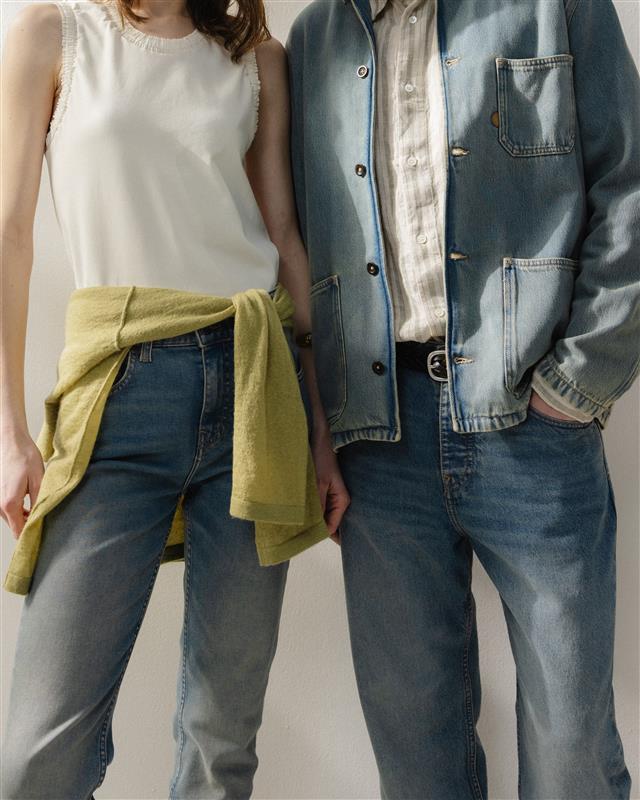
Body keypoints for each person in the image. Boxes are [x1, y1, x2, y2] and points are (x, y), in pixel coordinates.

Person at [286, 0, 640, 797]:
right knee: (416, 755)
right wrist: (320, 428)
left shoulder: (556, 8)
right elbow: (297, 241)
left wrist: (576, 384)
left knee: (571, 750)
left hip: (533, 423)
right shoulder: (313, 39)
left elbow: (630, 189)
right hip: (377, 439)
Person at [0, 0, 349, 796]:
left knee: (221, 739)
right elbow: (10, 233)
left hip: (256, 386)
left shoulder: (257, 58)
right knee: (40, 753)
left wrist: (323, 429)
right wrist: (8, 431)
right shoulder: (55, 33)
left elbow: (284, 237)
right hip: (118, 392)